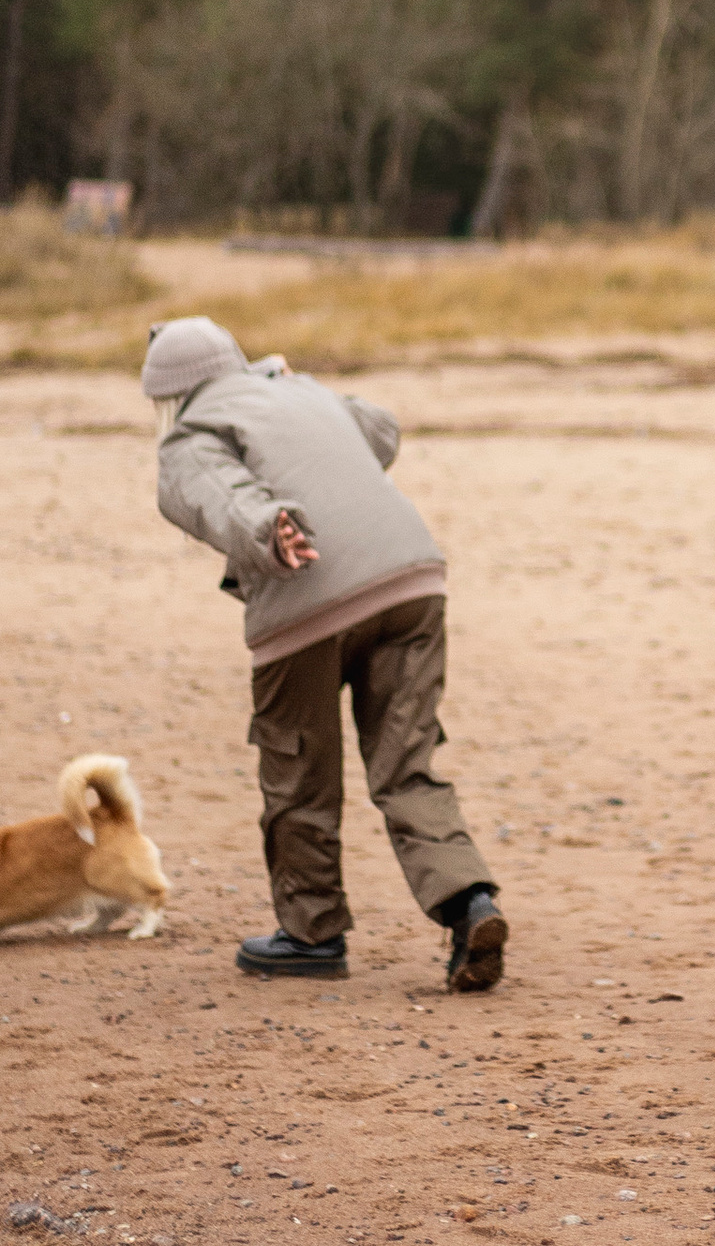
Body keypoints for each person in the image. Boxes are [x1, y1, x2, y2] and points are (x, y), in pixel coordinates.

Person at [143, 316, 506, 990]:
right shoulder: (300, 389)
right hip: (415, 582)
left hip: (308, 604)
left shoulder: (189, 436)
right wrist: (297, 384)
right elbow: (381, 431)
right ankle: (470, 905)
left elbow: (221, 497)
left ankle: (312, 935)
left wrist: (269, 528)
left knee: (297, 770)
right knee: (406, 765)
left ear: (164, 394)